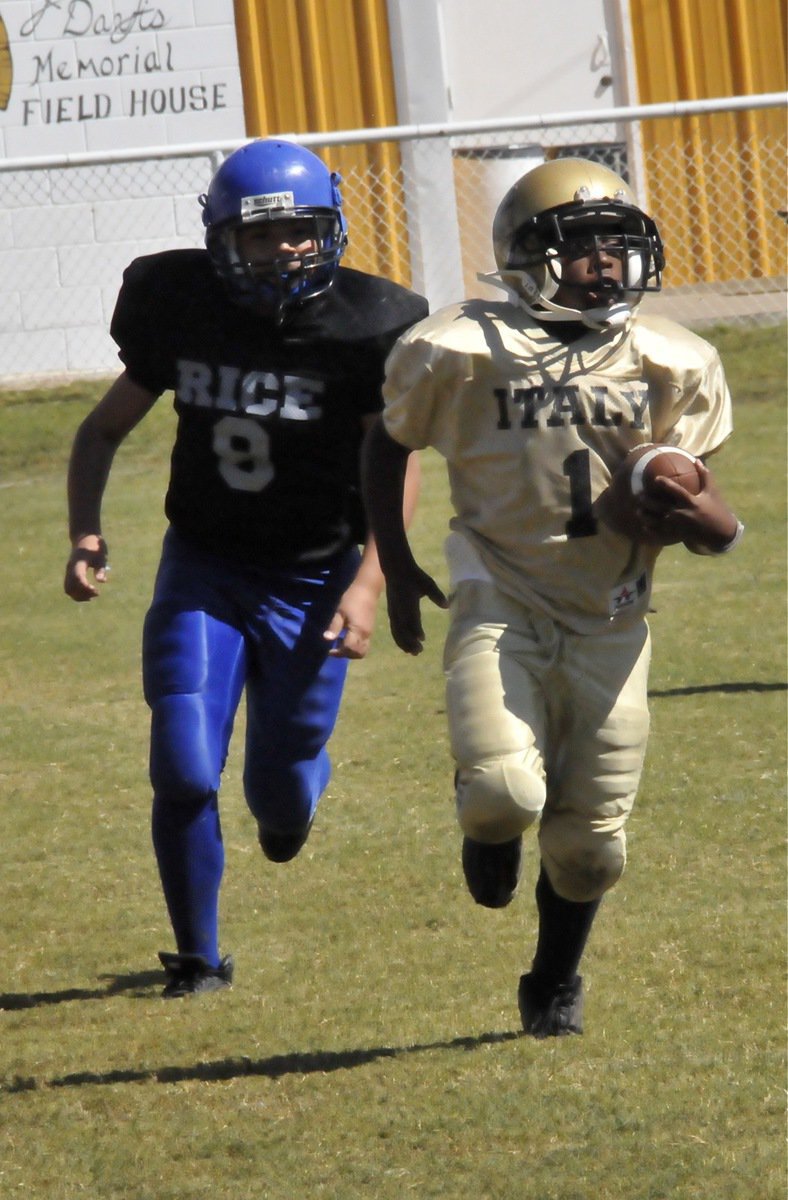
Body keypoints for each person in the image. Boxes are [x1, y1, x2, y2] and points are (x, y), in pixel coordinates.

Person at [361, 156, 743, 1038]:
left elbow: (702, 508)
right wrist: (396, 557)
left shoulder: (671, 358)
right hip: (502, 594)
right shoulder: (458, 348)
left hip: (614, 619)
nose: (604, 264)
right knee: (503, 794)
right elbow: (389, 445)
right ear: (527, 255)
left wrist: (705, 516)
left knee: (592, 846)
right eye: (582, 247)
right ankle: (487, 831)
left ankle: (553, 980)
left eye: (617, 245)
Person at [64, 139, 428, 998]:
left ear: (330, 229)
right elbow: (102, 429)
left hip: (313, 576)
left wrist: (372, 580)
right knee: (185, 764)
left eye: (301, 231)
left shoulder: (370, 322)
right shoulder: (179, 302)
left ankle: (296, 796)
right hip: (207, 566)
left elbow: (396, 461)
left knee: (279, 789)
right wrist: (86, 533)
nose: (286, 250)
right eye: (263, 237)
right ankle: (198, 956)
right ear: (222, 238)